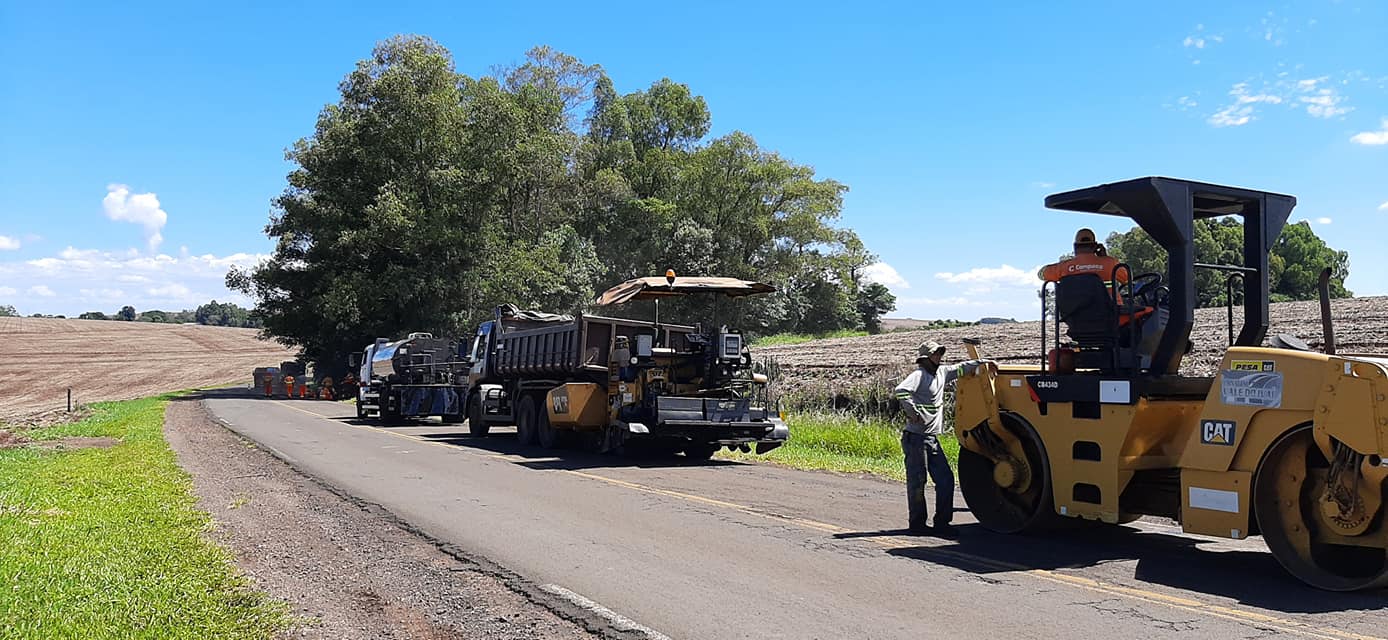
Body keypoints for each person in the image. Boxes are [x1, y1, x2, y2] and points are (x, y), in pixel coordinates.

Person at [893, 341, 988, 537]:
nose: (939, 357)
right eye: (935, 354)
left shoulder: (942, 373)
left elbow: (961, 368)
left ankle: (942, 524)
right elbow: (901, 391)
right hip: (916, 438)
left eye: (939, 354)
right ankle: (917, 524)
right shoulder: (918, 375)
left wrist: (983, 362)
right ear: (925, 358)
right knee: (917, 481)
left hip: (931, 438)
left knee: (945, 479)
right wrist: (914, 412)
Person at [1040, 228, 1129, 301]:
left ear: (1075, 247)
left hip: (1076, 319)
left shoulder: (1065, 267)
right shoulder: (1110, 263)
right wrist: (1105, 257)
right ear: (1095, 246)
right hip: (1111, 316)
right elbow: (1126, 279)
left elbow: (1041, 274)